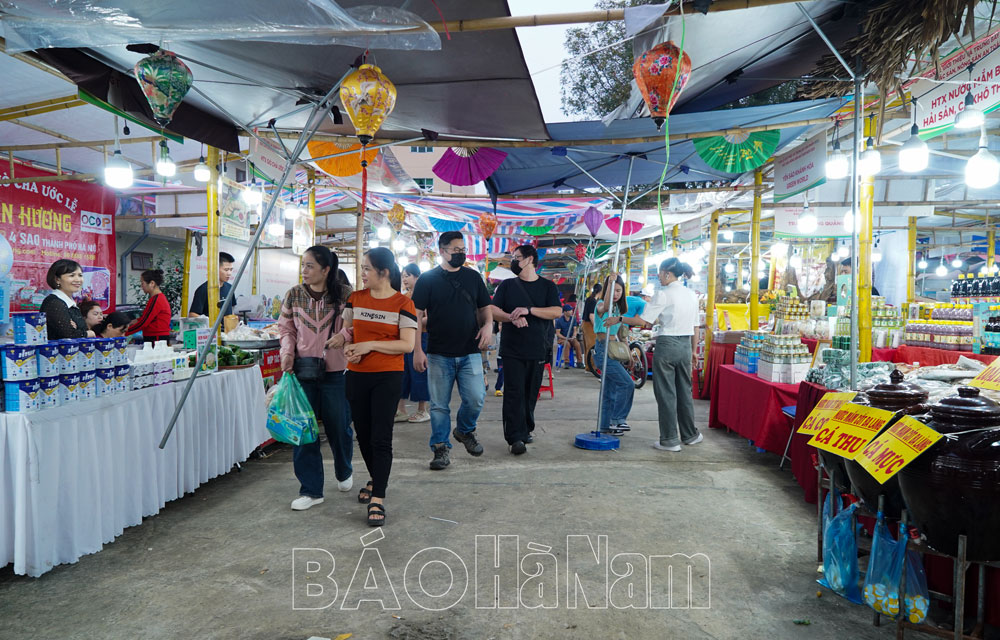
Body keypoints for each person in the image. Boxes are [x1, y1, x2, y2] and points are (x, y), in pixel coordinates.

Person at [332, 248, 416, 526]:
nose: (362, 273)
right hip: (357, 376)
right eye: (362, 268)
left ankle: (378, 496)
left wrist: (369, 345)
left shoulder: (403, 303)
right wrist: (349, 349)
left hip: (387, 377)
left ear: (384, 272)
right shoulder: (355, 299)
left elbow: (407, 345)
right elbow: (348, 334)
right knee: (364, 435)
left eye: (367, 268)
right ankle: (376, 478)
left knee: (381, 437)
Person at [278, 246, 354, 511]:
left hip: (337, 372)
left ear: (326, 269)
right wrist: (287, 353)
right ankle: (311, 490)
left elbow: (357, 325)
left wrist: (344, 336)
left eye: (310, 266)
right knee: (302, 430)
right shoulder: (294, 294)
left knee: (339, 427)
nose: (305, 271)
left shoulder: (346, 295)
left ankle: (344, 469)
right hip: (303, 372)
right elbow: (286, 329)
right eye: (303, 265)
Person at [410, 231, 492, 471]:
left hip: (470, 351)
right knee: (438, 406)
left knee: (476, 398)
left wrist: (488, 325)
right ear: (442, 251)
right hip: (438, 353)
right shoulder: (427, 280)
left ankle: (464, 430)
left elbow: (485, 307)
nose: (460, 254)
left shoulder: (473, 277)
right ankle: (440, 448)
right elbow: (416, 316)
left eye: (463, 250)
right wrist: (417, 350)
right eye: (456, 250)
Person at [490, 244, 561, 455]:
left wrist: (529, 310)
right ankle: (515, 438)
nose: (513, 261)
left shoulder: (547, 287)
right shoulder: (507, 286)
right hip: (512, 349)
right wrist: (511, 317)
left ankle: (526, 428)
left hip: (538, 348)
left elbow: (556, 311)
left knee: (531, 392)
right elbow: (492, 309)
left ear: (530, 259)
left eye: (517, 257)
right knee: (514, 392)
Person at [641, 258, 701, 452]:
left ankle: (669, 440)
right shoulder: (691, 295)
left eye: (659, 273)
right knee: (684, 391)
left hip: (667, 345)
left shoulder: (663, 294)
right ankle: (690, 435)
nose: (658, 277)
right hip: (685, 346)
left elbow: (644, 321)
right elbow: (695, 326)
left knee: (666, 393)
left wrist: (619, 318)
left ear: (667, 273)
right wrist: (693, 351)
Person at [592, 274, 636, 435]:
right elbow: (605, 306)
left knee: (609, 393)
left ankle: (605, 426)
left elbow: (622, 335)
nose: (616, 294)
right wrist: (610, 282)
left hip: (614, 350)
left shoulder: (619, 310)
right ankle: (617, 420)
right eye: (613, 290)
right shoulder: (601, 305)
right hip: (602, 350)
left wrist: (629, 354)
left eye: (619, 290)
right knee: (627, 384)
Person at [396, 263, 429, 423]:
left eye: (407, 276)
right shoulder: (405, 296)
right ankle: (400, 410)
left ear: (417, 277)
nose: (404, 279)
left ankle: (423, 410)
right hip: (405, 338)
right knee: (403, 374)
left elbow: (430, 318)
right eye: (403, 276)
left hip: (422, 338)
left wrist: (412, 322)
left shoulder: (426, 295)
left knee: (419, 373)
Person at [39, 259, 95, 339]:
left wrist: (78, 330)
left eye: (80, 275)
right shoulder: (54, 302)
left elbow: (78, 331)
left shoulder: (70, 302)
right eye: (72, 275)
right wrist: (89, 333)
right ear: (57, 279)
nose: (78, 280)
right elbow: (69, 335)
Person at [126, 269, 173, 343]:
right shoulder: (158, 298)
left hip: (156, 338)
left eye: (142, 283)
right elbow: (148, 318)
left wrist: (124, 332)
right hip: (157, 337)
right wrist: (134, 321)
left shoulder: (156, 300)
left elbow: (144, 322)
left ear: (152, 283)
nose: (141, 286)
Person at [188, 252, 235, 318]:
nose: (229, 273)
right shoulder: (203, 289)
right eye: (226, 270)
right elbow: (192, 314)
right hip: (211, 325)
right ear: (215, 269)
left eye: (231, 270)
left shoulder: (230, 288)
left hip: (227, 325)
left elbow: (231, 310)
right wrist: (209, 322)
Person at [554, 304, 583, 369]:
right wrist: (566, 338)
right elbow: (558, 333)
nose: (571, 311)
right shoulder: (559, 321)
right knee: (567, 344)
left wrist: (574, 336)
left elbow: (575, 330)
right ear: (565, 312)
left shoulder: (573, 319)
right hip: (562, 338)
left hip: (571, 337)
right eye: (570, 310)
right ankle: (566, 362)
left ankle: (579, 362)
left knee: (577, 344)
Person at [581, 283, 602, 371]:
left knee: (587, 346)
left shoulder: (589, 299)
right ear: (600, 292)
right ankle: (592, 367)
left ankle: (588, 366)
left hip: (585, 324)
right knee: (592, 345)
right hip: (589, 325)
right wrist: (596, 327)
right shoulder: (593, 301)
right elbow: (591, 316)